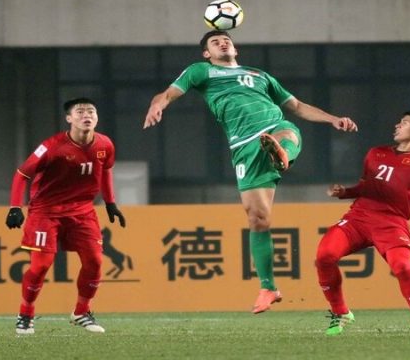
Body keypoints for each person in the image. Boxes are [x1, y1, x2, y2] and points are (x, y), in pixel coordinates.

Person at [143, 30, 358, 314]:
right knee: (258, 219)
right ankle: (268, 287)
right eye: (215, 42)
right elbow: (168, 93)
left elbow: (296, 106)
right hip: (243, 147)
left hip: (272, 127)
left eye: (227, 40)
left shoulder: (260, 76)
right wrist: (156, 105)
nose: (223, 43)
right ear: (206, 54)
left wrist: (333, 119)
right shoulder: (201, 71)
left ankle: (283, 156)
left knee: (287, 133)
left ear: (236, 49)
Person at [5, 97, 126, 335]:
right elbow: (22, 174)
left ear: (97, 117)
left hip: (82, 210)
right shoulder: (51, 147)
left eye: (91, 111)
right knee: (41, 266)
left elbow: (106, 171)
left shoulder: (105, 144)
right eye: (80, 112)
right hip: (46, 211)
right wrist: (15, 207)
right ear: (69, 118)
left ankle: (81, 312)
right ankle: (25, 314)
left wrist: (110, 203)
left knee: (95, 262)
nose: (86, 115)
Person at [315, 109, 410, 336]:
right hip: (359, 218)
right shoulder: (376, 153)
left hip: (391, 223)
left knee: (402, 267)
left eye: (404, 123)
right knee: (324, 256)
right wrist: (345, 192)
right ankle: (340, 312)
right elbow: (366, 186)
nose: (397, 126)